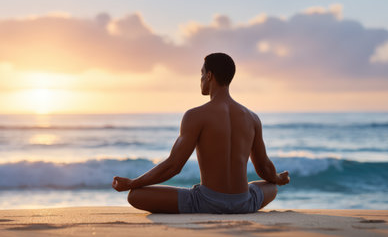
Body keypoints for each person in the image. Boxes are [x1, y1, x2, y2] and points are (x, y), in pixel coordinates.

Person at [112, 53, 290, 214]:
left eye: (201, 74)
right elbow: (264, 167)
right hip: (244, 203)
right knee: (271, 187)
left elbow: (173, 166)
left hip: (206, 203)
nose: (200, 79)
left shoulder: (195, 115)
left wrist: (132, 183)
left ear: (209, 75)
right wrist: (277, 179)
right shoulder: (252, 118)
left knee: (135, 195)